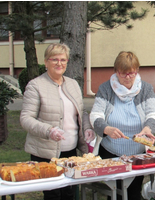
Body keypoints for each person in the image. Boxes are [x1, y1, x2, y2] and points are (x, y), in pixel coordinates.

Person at [20, 43, 95, 200]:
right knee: (53, 195)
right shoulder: (35, 85)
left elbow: (81, 112)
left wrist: (87, 127)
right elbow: (26, 119)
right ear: (46, 62)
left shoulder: (73, 84)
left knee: (69, 194)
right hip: (46, 153)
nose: (59, 63)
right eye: (54, 59)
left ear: (67, 61)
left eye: (63, 59)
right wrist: (49, 131)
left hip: (71, 152)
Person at [89, 51, 155, 200]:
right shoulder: (106, 89)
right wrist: (106, 129)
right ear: (116, 72)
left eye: (132, 73)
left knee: (134, 193)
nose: (128, 77)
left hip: (137, 153)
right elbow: (95, 115)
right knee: (114, 193)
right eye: (123, 74)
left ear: (137, 71)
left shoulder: (145, 89)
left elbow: (153, 114)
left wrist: (148, 128)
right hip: (110, 152)